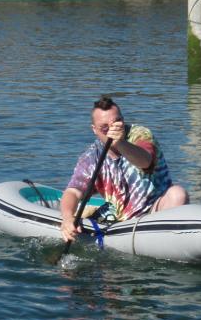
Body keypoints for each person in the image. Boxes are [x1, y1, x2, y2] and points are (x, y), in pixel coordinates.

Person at [60, 95, 189, 242]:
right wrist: (67, 218)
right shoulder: (91, 156)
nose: (111, 131)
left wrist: (120, 143)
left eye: (117, 123)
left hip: (154, 211)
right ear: (94, 130)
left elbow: (145, 162)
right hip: (118, 220)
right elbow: (73, 192)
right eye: (104, 128)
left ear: (122, 120)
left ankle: (167, 240)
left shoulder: (140, 135)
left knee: (178, 194)